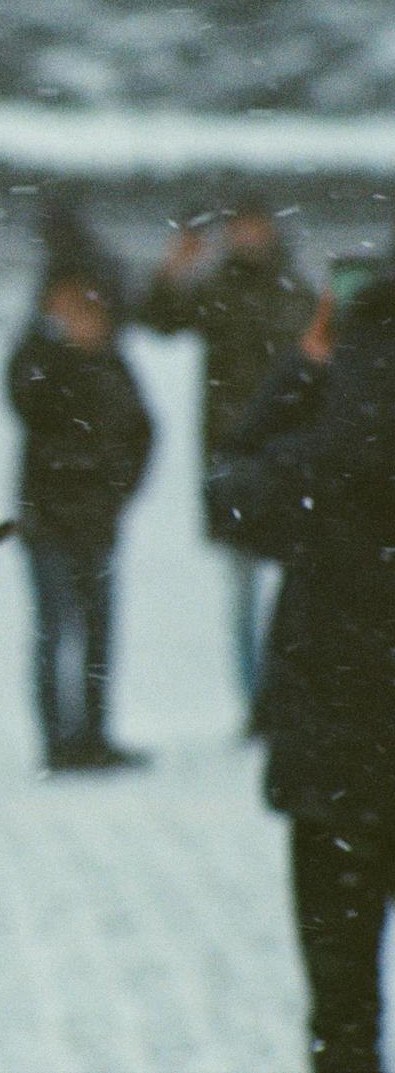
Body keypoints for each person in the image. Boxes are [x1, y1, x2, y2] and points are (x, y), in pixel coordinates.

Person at [208, 276, 395, 1073]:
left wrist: (300, 370)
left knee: (341, 1006)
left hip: (337, 761)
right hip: (343, 749)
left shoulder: (323, 442)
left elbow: (229, 489)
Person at [140, 195, 313, 715]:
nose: (245, 237)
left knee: (293, 585)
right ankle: (255, 699)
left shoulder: (297, 293)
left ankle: (282, 696)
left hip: (288, 453)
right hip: (233, 455)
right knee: (244, 588)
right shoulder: (219, 289)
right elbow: (159, 319)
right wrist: (174, 268)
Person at [8, 229, 154, 772]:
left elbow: (141, 433)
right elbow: (26, 399)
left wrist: (118, 490)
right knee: (55, 634)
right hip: (49, 521)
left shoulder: (112, 363)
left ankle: (93, 733)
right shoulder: (38, 357)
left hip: (97, 521)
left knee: (95, 636)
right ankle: (58, 741)